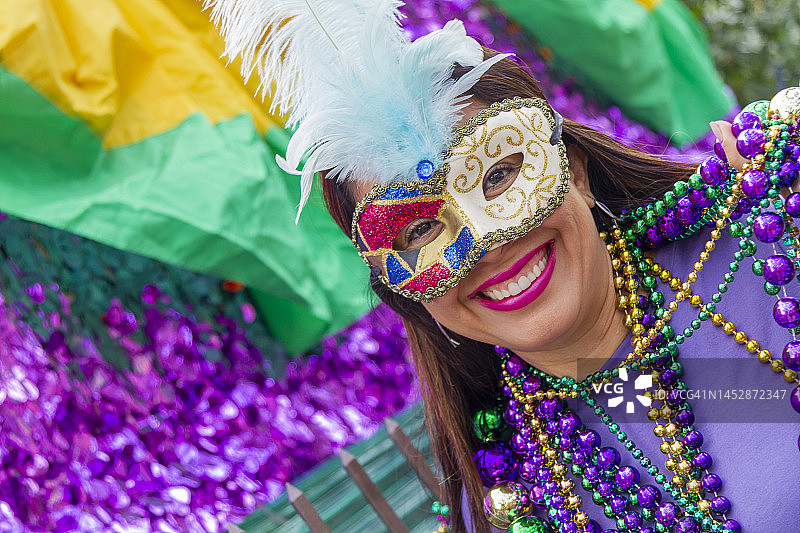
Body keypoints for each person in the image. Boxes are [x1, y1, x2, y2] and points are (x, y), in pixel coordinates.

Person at [207, 2, 800, 531]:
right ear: (398, 286)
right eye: (419, 229)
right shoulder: (505, 499)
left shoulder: (774, 231)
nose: (487, 245)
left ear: (576, 169)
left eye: (498, 175)